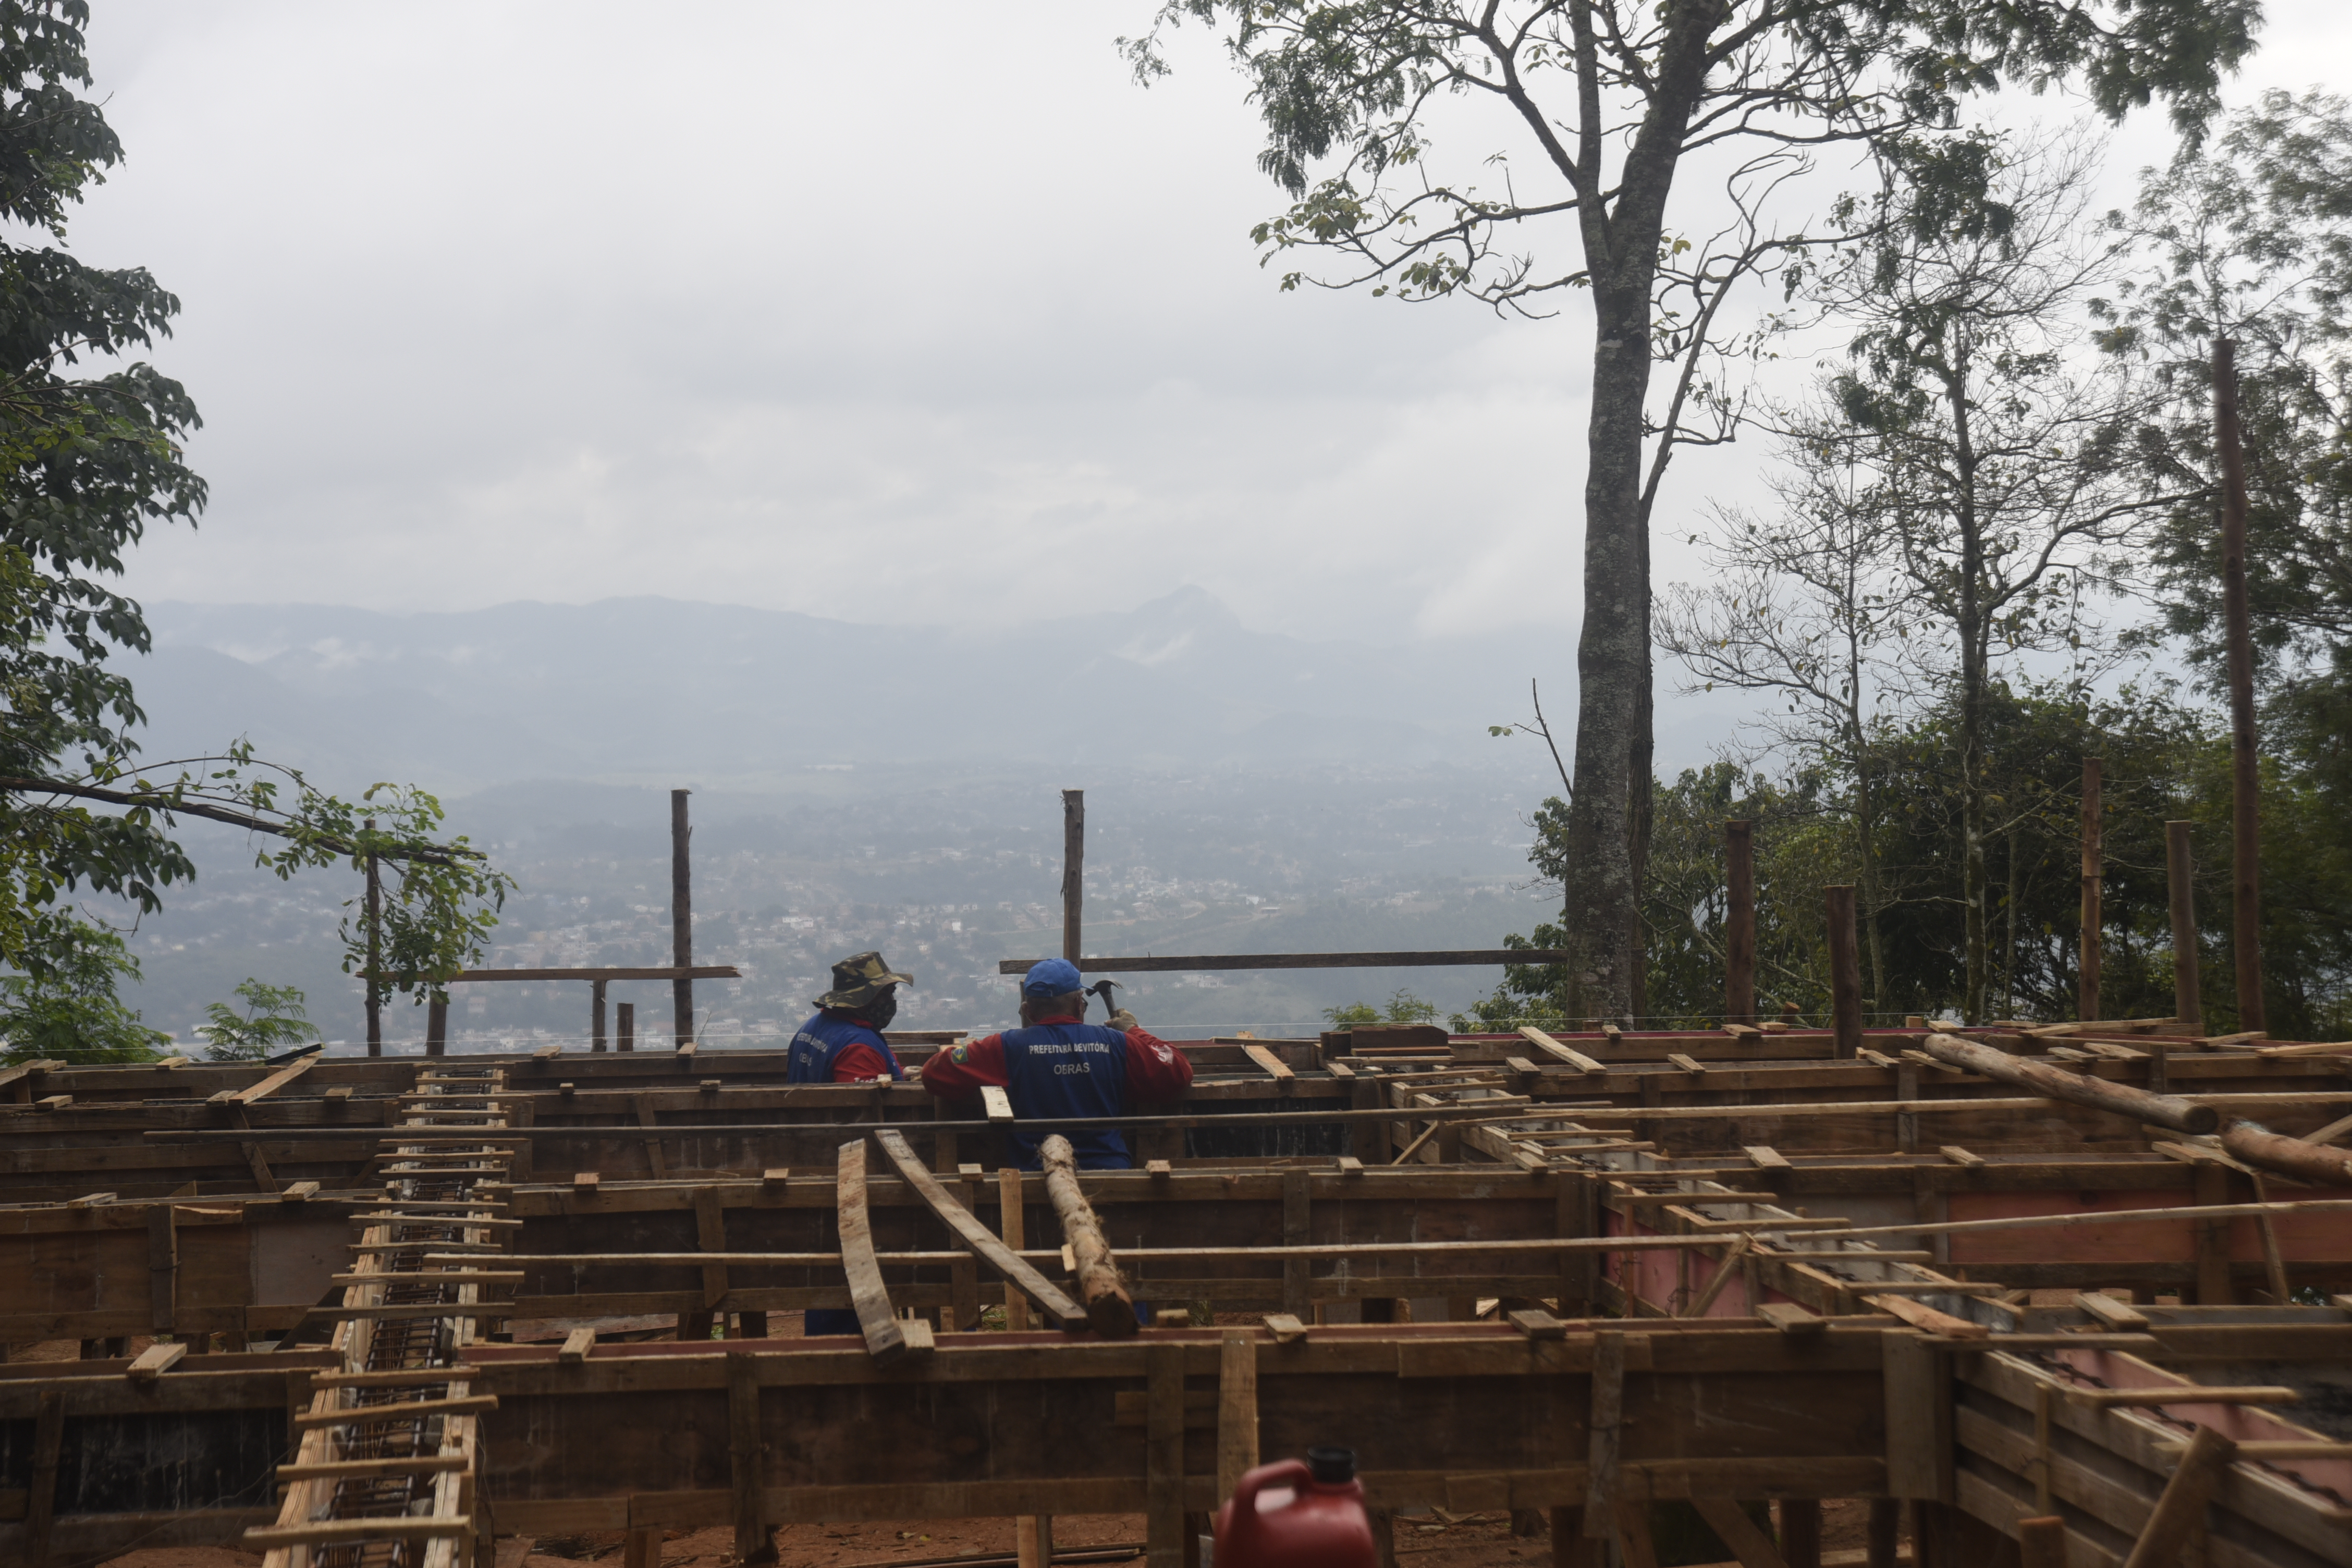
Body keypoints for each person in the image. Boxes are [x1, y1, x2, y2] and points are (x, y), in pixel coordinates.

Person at [919, 957, 1192, 1169]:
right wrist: (1134, 1030)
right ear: (1078, 1004)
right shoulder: (1116, 1044)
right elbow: (1178, 1071)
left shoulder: (1007, 1047)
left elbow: (934, 1074)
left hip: (1035, 1180)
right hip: (1110, 1174)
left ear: (1028, 1011)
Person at [787, 950, 911, 1337]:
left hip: (813, 1163)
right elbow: (859, 1123)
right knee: (854, 1275)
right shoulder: (858, 1046)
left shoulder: (815, 1027)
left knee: (829, 1272)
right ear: (865, 1000)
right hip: (850, 1178)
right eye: (886, 996)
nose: (891, 1004)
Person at [786, 951, 912, 1085]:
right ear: (860, 999)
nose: (890, 1001)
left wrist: (900, 1074)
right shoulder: (859, 1050)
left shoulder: (810, 1027)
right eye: (884, 994)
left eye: (891, 993)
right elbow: (862, 1101)